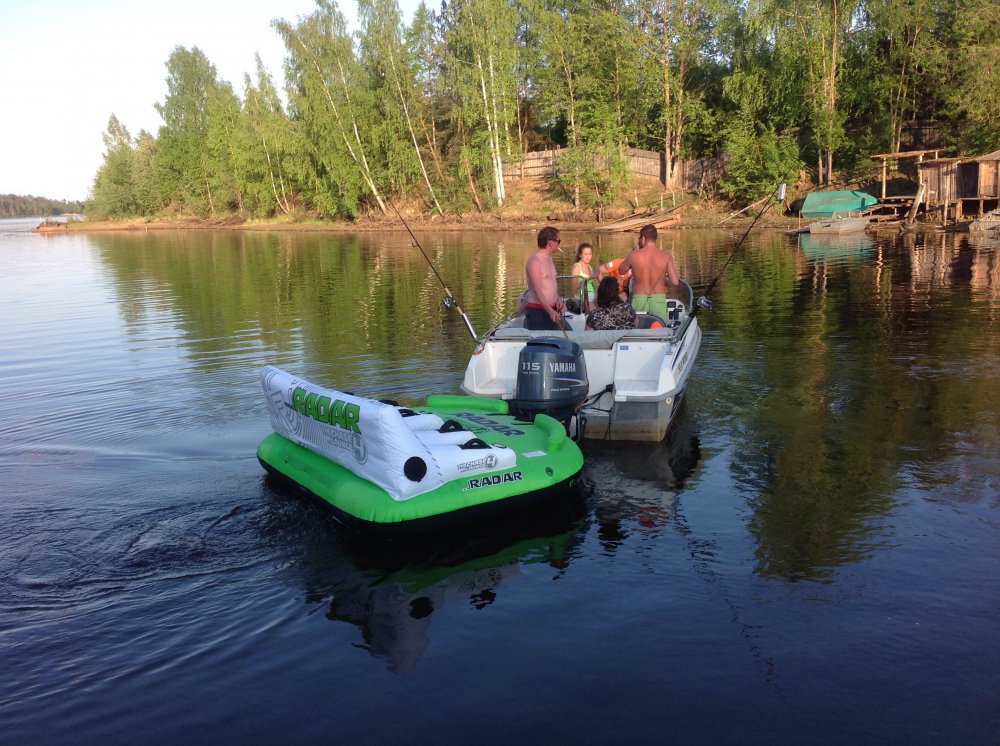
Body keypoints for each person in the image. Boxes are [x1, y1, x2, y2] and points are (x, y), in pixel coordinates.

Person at [618, 224, 679, 321]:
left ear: (642, 238)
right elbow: (675, 282)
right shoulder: (666, 256)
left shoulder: (634, 255)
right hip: (658, 298)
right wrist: (665, 281)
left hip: (639, 298)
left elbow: (621, 271)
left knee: (639, 327)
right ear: (655, 239)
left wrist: (634, 251)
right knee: (659, 326)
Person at [523, 226, 566, 330]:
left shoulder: (550, 259)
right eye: (558, 241)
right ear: (550, 242)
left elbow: (551, 284)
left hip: (553, 310)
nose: (559, 244)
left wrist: (557, 299)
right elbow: (537, 290)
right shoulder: (534, 261)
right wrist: (550, 311)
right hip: (538, 312)